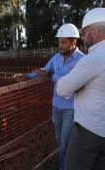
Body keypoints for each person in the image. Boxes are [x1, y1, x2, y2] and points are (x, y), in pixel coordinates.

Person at [14, 23, 85, 170]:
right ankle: (64, 165)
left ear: (74, 42)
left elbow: (73, 83)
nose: (60, 45)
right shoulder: (56, 58)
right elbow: (43, 71)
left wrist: (51, 75)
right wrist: (27, 76)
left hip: (71, 108)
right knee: (60, 141)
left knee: (65, 144)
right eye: (59, 42)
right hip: (56, 106)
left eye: (64, 42)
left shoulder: (82, 60)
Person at [57, 8, 105, 170]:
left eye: (84, 33)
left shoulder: (94, 59)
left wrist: (74, 82)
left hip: (88, 128)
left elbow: (62, 89)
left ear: (95, 31)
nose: (83, 37)